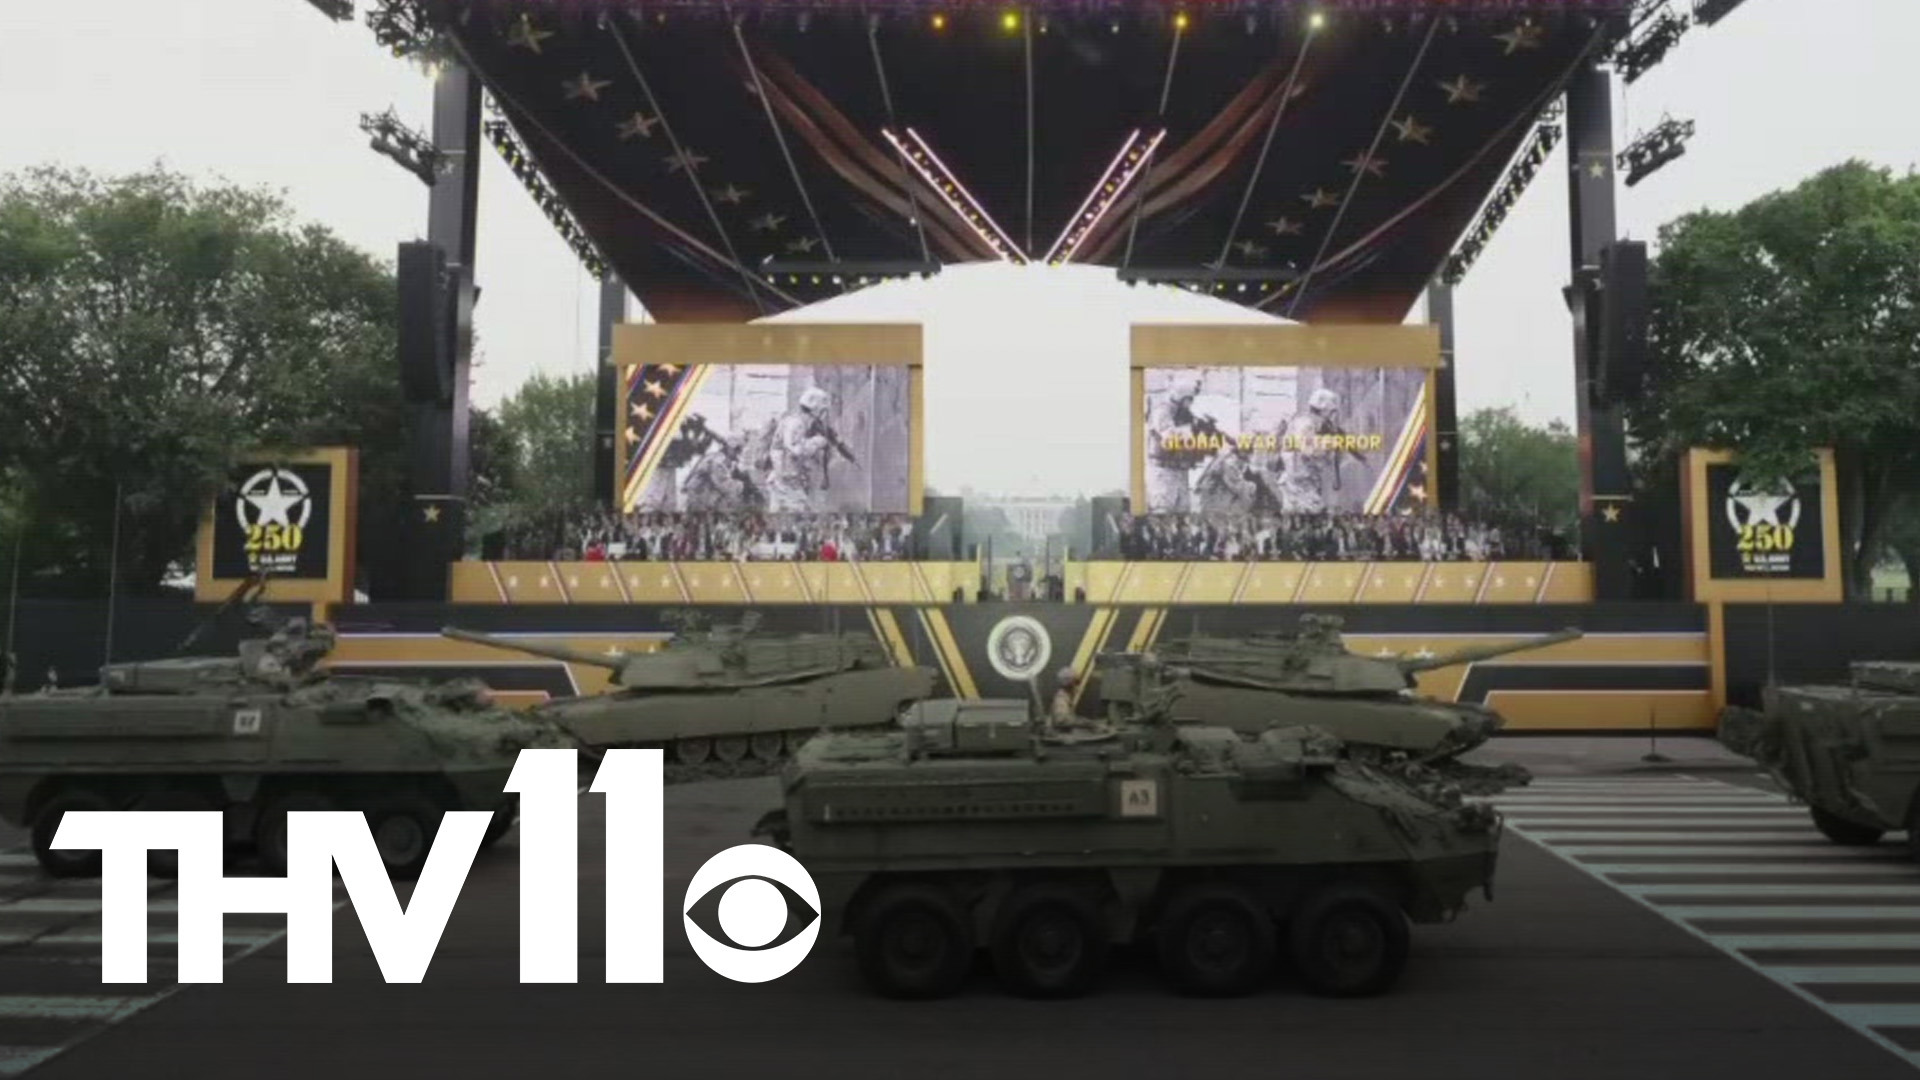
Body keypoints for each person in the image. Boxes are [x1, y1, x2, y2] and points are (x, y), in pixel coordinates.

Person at [768, 387, 835, 513]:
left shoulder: (794, 421)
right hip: (786, 484)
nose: (823, 415)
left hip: (786, 481)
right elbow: (796, 450)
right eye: (822, 410)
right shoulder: (796, 423)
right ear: (815, 410)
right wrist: (817, 442)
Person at [1145, 374, 1205, 513]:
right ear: (1181, 396)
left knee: (1183, 511)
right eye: (1189, 399)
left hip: (1180, 471)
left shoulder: (1184, 413)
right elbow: (1170, 437)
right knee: (1163, 509)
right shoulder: (1162, 411)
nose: (1191, 403)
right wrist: (1192, 432)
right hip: (1164, 472)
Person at [1277, 387, 1343, 513]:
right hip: (1299, 485)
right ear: (1324, 410)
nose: (1331, 417)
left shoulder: (1307, 423)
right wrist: (1329, 443)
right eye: (1331, 412)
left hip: (1302, 484)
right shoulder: (1305, 424)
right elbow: (1309, 450)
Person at [1049, 667, 1081, 732]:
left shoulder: (1065, 698)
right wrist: (1088, 724)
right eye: (1076, 683)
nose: (1078, 687)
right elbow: (1062, 720)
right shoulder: (1061, 699)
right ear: (1070, 684)